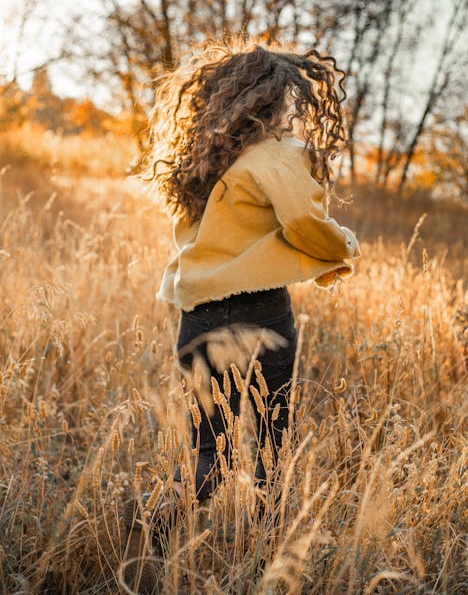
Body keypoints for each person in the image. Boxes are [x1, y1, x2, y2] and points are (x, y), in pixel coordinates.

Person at [122, 38, 360, 592]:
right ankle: (268, 567)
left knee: (211, 452)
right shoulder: (278, 154)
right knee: (274, 444)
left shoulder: (203, 163)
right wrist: (345, 244)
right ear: (275, 102)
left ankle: (148, 530)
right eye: (289, 103)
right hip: (261, 315)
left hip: (197, 319)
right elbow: (306, 224)